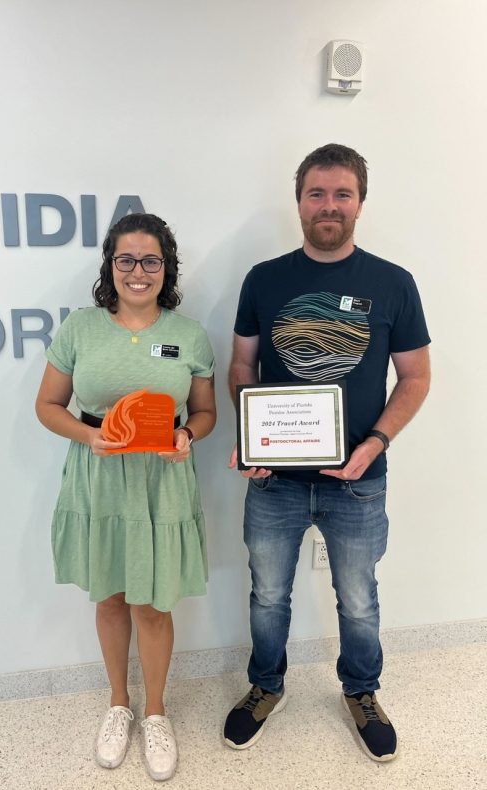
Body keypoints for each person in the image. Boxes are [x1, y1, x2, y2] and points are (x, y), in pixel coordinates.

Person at [223, 144, 431, 762]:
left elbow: (415, 379)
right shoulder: (264, 279)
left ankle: (362, 692)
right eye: (317, 193)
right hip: (275, 480)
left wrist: (375, 443)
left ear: (361, 202)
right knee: (266, 593)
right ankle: (265, 686)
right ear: (299, 202)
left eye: (342, 193)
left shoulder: (393, 283)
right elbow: (240, 366)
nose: (329, 205)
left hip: (358, 480)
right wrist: (249, 433)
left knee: (359, 596)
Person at [35, 213, 216, 781]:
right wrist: (91, 436)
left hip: (162, 480)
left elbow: (207, 412)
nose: (138, 272)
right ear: (110, 267)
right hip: (100, 477)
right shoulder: (81, 328)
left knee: (154, 603)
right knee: (111, 597)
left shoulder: (188, 335)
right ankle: (120, 704)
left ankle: (155, 712)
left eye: (151, 260)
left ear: (167, 267)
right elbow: (47, 406)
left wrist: (188, 435)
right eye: (126, 260)